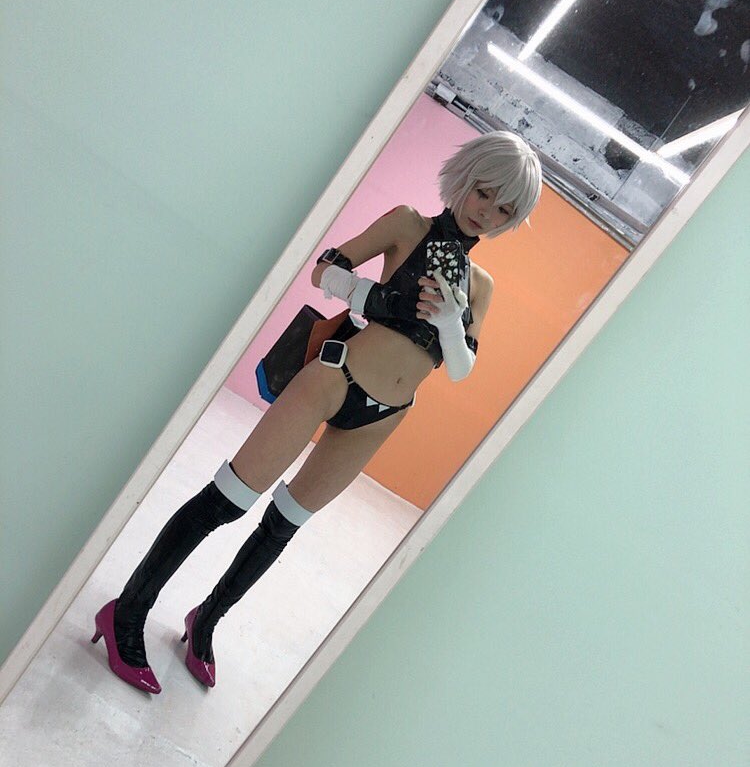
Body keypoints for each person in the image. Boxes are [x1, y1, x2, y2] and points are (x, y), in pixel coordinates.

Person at [91, 129, 543, 693]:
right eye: (483, 192)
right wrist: (382, 300)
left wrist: (451, 324)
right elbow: (325, 269)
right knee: (227, 500)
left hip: (385, 415)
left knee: (285, 524)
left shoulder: (480, 286)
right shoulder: (408, 225)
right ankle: (126, 611)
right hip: (334, 378)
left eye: (504, 209)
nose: (486, 212)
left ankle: (206, 621)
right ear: (465, 179)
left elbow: (459, 369)